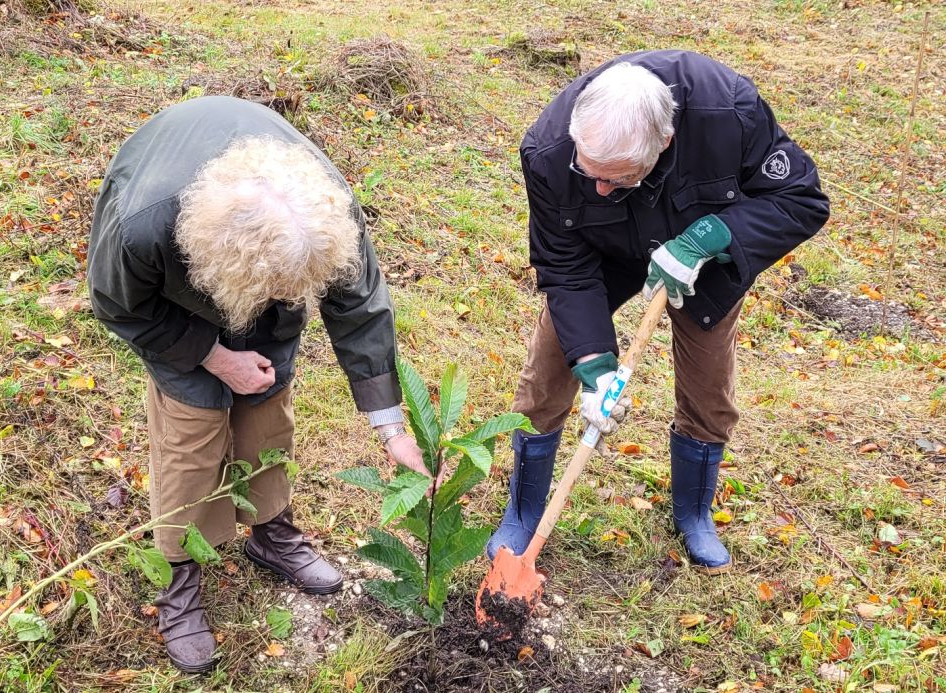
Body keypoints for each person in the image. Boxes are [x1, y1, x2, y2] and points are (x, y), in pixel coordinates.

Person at [87, 95, 426, 672]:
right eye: (272, 287)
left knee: (268, 404)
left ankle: (271, 532)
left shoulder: (320, 212)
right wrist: (213, 356)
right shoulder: (141, 226)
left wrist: (389, 424)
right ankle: (181, 574)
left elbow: (360, 307)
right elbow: (119, 306)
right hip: (175, 300)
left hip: (265, 261)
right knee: (192, 429)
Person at [488, 50, 830, 574]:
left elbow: (799, 199)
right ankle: (524, 509)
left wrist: (709, 239)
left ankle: (693, 513)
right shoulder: (550, 151)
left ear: (663, 144)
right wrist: (597, 368)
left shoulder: (728, 112)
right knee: (553, 362)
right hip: (600, 251)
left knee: (709, 383)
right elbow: (565, 267)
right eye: (591, 174)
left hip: (705, 255)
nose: (598, 187)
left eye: (616, 179)